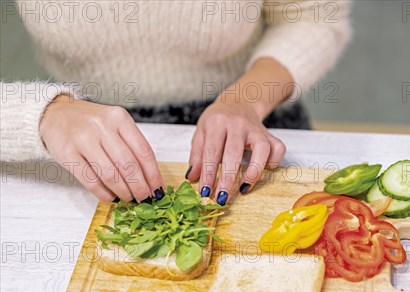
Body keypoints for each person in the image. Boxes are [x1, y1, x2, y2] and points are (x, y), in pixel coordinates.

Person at [0, 0, 351, 205]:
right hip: (73, 130)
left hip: (247, 116)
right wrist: (43, 114)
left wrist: (247, 99)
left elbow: (312, 15)